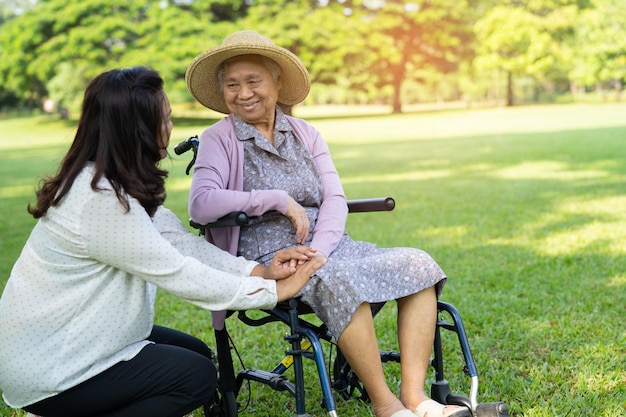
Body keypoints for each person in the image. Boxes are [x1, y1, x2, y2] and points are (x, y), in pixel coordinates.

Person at [0, 66, 326, 417]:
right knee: (196, 377)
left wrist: (261, 271)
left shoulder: (107, 181)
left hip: (68, 340)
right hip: (53, 367)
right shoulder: (100, 200)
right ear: (136, 130)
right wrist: (274, 293)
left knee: (198, 355)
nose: (170, 128)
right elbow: (178, 272)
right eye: (164, 118)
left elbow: (180, 244)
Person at [184, 30, 470, 417]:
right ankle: (385, 405)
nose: (243, 93)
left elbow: (334, 198)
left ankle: (415, 397)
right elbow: (201, 204)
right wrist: (277, 199)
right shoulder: (220, 139)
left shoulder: (306, 134)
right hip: (271, 259)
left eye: (253, 81)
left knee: (418, 263)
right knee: (335, 279)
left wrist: (321, 249)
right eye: (232, 85)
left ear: (277, 82)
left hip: (328, 245)